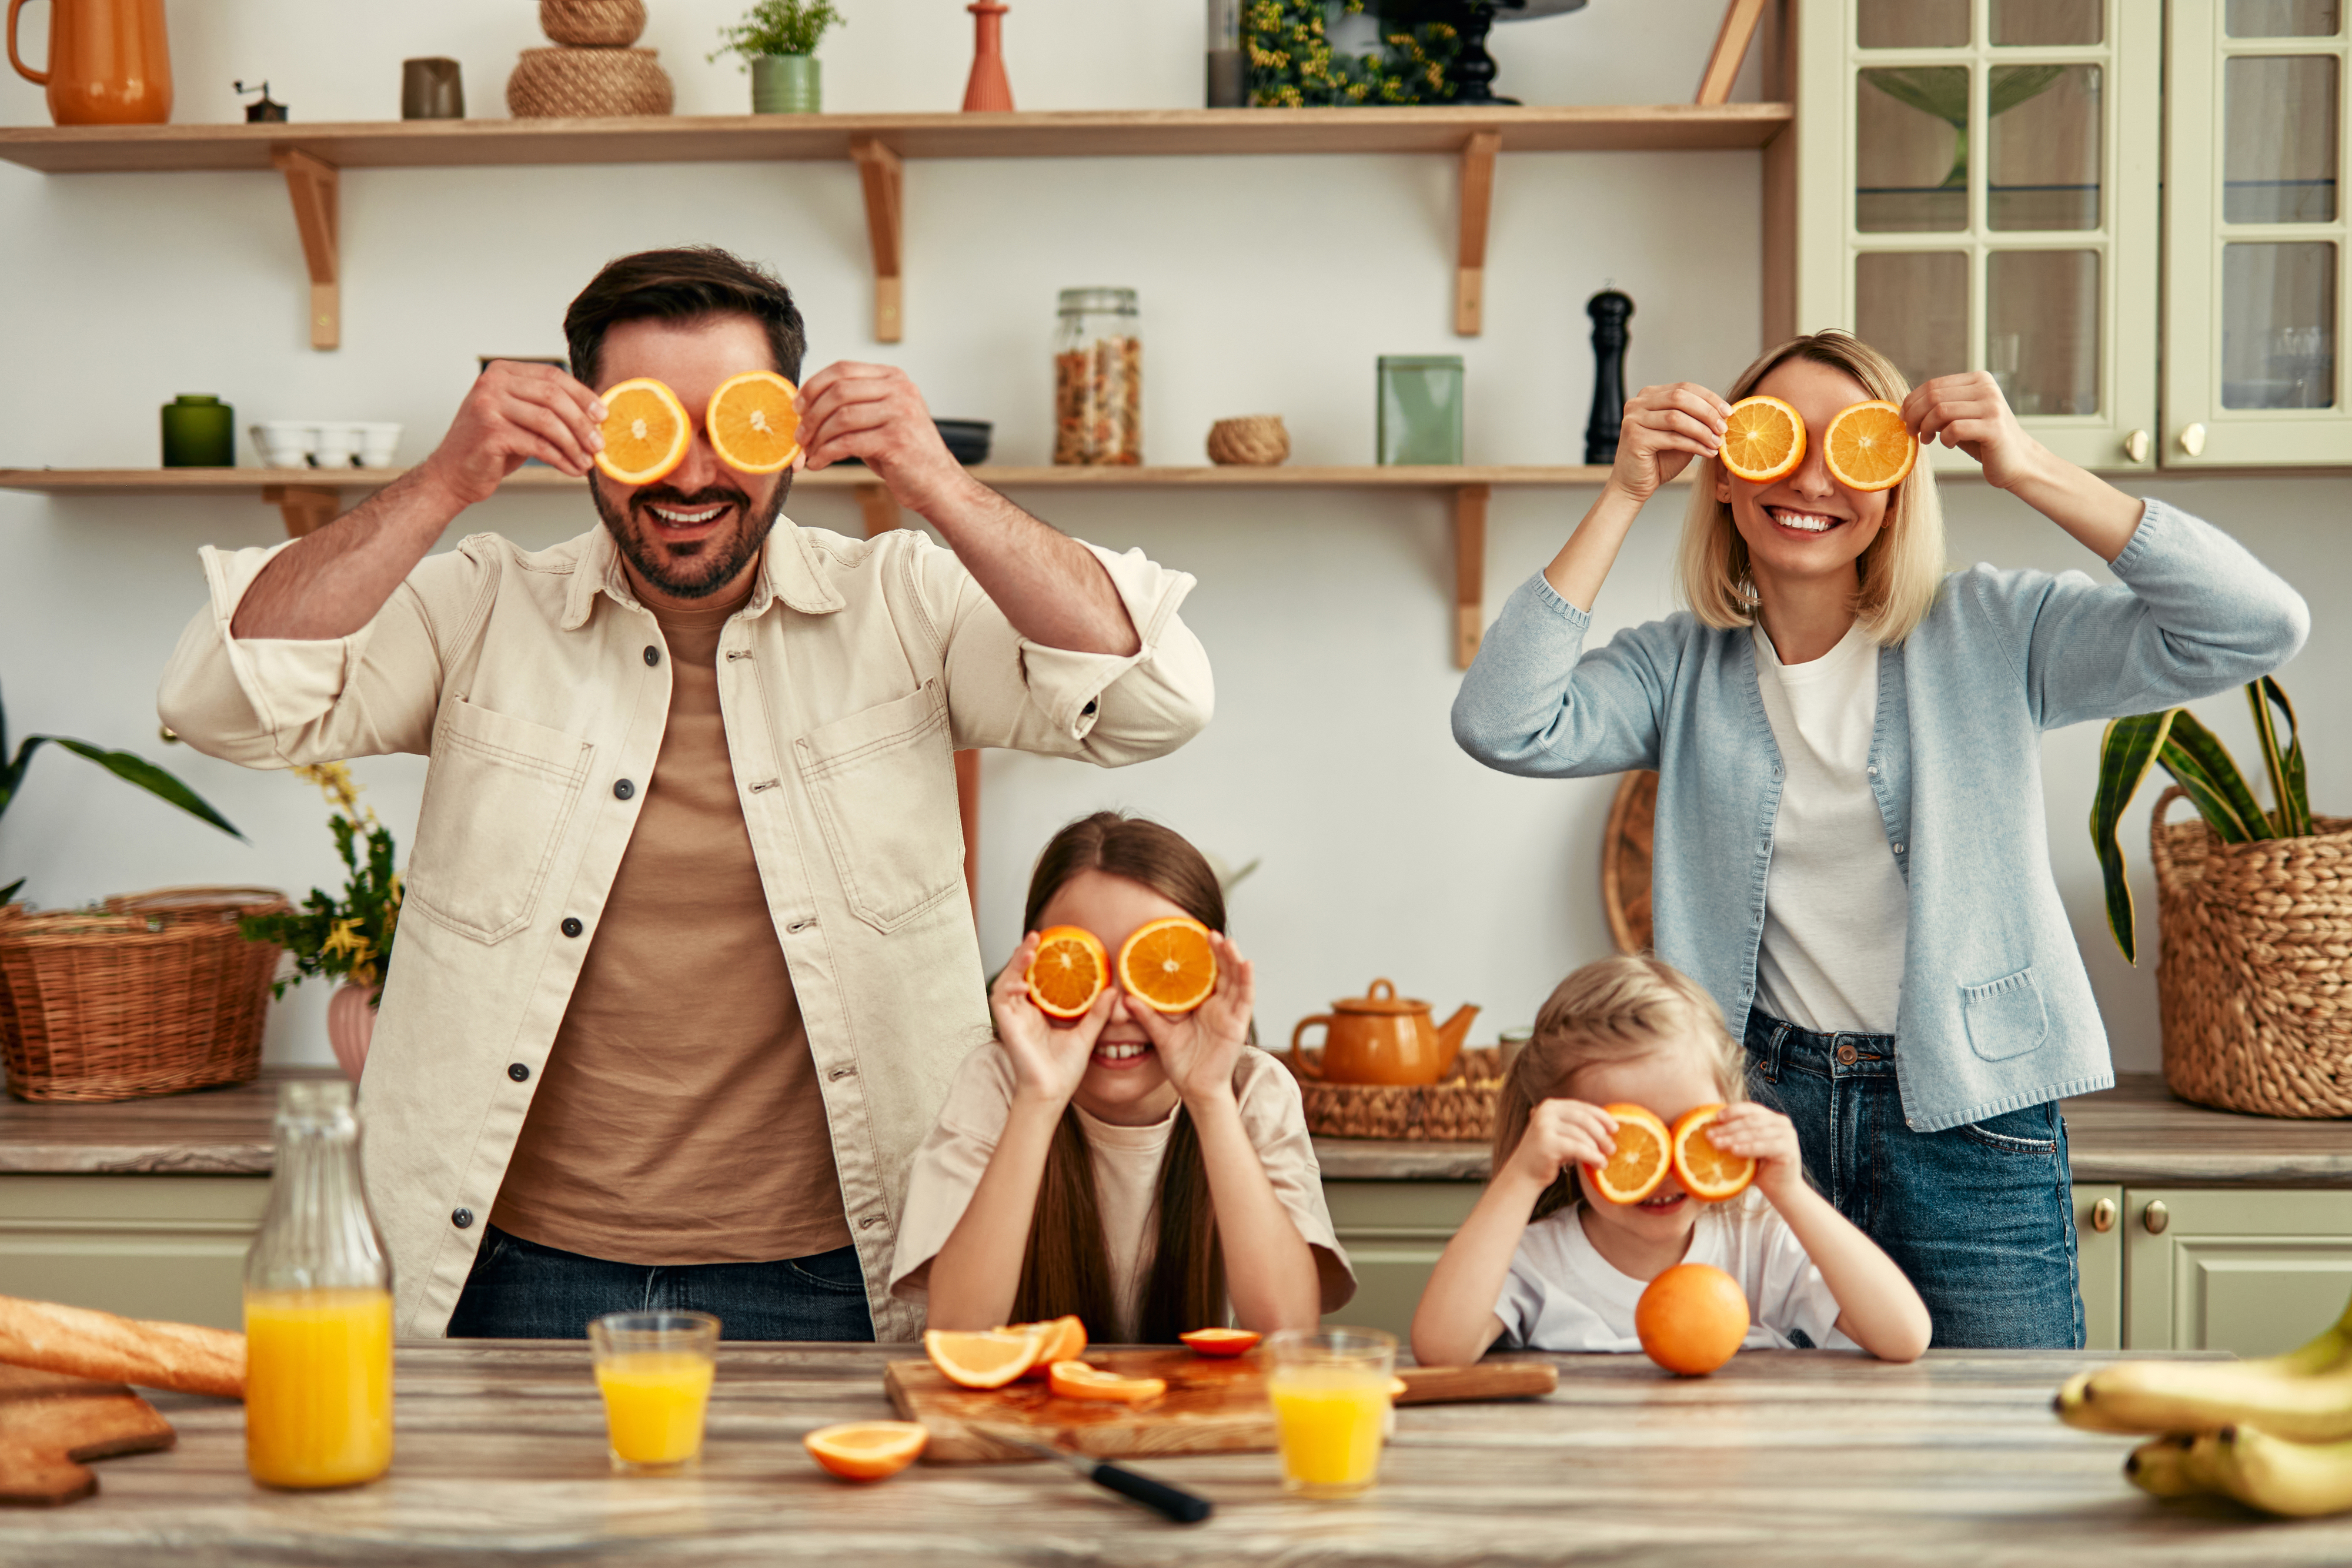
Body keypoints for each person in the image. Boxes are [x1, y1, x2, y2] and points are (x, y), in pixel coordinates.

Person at [156, 247, 1215, 1342]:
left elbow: (1159, 698)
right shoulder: (481, 609)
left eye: (737, 423)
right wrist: (444, 481)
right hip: (510, 1269)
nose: (694, 471)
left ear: (795, 430)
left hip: (848, 1267)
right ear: (581, 433)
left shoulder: (906, 604)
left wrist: (934, 481)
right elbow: (220, 699)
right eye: (647, 423)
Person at [1450, 330, 2308, 1348]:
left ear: (1896, 487)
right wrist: (1626, 492)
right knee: (1784, 1449)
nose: (1812, 476)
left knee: (2004, 1443)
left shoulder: (1992, 627)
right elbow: (1502, 721)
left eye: (1851, 447)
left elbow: (2256, 623)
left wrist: (2024, 465)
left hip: (1970, 1113)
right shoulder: (1677, 667)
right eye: (1778, 442)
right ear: (1725, 476)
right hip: (1759, 1115)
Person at [891, 812, 1353, 1340]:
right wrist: (1040, 1100)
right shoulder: (997, 1082)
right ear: (1034, 968)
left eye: (1154, 968)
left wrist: (1209, 1098)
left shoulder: (1254, 1090)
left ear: (1209, 973)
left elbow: (1286, 1331)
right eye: (1083, 966)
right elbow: (960, 1335)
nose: (1115, 1010)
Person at [1411, 955, 1929, 1366]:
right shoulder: (1537, 1260)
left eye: (1688, 1132)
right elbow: (1441, 1350)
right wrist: (1522, 1176)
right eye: (1628, 1140)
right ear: (1566, 1143)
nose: (1663, 1171)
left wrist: (1789, 1192)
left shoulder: (1756, 1237)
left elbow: (1904, 1336)